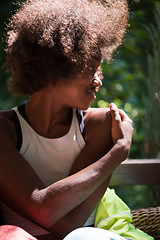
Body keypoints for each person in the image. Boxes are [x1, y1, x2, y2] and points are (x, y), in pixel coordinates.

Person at [0, 0, 133, 239]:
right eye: (91, 68)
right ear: (57, 66)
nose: (98, 81)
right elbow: (44, 211)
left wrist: (115, 149)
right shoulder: (4, 130)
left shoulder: (101, 125)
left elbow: (69, 227)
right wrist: (118, 152)